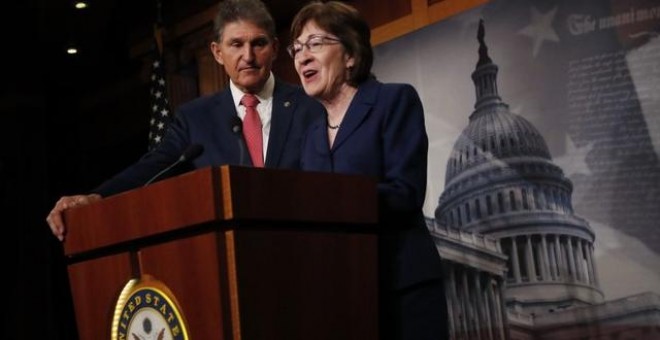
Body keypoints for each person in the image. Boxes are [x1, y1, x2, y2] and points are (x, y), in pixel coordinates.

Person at [46, 0, 322, 241]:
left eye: (258, 43)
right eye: (236, 44)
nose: (247, 56)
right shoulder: (194, 119)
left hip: (303, 244)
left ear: (274, 48)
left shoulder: (311, 106)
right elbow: (152, 168)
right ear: (217, 52)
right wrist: (96, 198)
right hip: (230, 252)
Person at [288, 2, 449, 339]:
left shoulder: (394, 101)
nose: (302, 57)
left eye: (315, 44)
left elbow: (405, 193)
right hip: (344, 296)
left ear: (351, 54)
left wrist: (331, 200)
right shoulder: (310, 136)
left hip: (402, 287)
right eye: (297, 48)